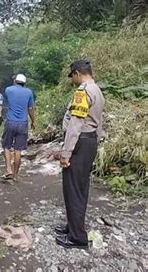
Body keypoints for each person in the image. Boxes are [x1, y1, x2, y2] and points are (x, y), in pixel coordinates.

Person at [55, 60, 105, 249]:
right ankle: (73, 227)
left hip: (80, 142)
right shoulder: (97, 90)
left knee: (73, 188)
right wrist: (95, 142)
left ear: (77, 73)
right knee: (80, 186)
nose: (73, 80)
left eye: (73, 76)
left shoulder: (83, 92)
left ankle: (77, 238)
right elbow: (98, 121)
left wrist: (66, 153)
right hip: (89, 141)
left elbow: (75, 124)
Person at [1, 74, 36, 181]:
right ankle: (16, 175)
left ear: (15, 81)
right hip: (23, 123)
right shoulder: (29, 92)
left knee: (7, 147)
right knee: (18, 150)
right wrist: (33, 122)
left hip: (11, 122)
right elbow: (30, 108)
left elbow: (6, 99)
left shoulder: (8, 90)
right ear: (24, 83)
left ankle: (8, 170)